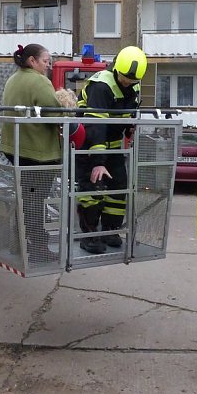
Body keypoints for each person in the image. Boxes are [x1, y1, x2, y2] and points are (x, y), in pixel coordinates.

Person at [75, 46, 147, 254]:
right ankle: (89, 236)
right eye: (125, 78)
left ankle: (110, 230)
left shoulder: (133, 86)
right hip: (90, 145)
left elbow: (128, 113)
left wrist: (130, 127)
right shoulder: (101, 85)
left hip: (114, 146)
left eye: (132, 81)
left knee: (118, 187)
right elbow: (95, 126)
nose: (128, 83)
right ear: (116, 69)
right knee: (93, 190)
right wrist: (98, 161)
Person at [0, 44, 67, 265]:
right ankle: (39, 248)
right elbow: (52, 111)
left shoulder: (13, 80)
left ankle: (18, 243)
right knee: (36, 203)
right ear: (32, 61)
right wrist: (66, 104)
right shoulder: (38, 81)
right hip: (37, 152)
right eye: (46, 60)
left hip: (15, 148)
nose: (48, 65)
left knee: (25, 200)